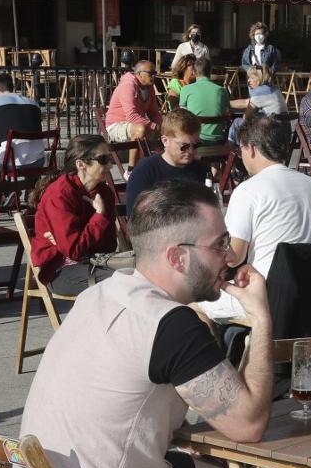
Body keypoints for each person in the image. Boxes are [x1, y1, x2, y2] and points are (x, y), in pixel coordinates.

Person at [14, 179, 311, 468]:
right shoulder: (171, 326)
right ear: (178, 256)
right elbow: (248, 424)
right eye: (219, 247)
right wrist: (261, 316)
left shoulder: (103, 292)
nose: (232, 258)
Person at [196, 114, 311, 322]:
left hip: (267, 297)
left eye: (240, 151)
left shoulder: (248, 190)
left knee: (190, 303)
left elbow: (233, 257)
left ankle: (219, 354)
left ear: (251, 148)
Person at [29, 134, 120, 293]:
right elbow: (74, 251)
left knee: (144, 275)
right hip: (61, 271)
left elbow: (109, 245)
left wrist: (81, 236)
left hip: (95, 262)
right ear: (81, 164)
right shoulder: (59, 194)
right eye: (103, 159)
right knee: (123, 282)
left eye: (110, 158)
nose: (110, 165)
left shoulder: (104, 193)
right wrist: (99, 217)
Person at [125, 109, 212, 217]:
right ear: (165, 141)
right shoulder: (146, 171)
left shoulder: (202, 170)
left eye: (196, 145)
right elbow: (134, 218)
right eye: (184, 146)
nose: (191, 151)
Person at [103, 60, 162, 166]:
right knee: (140, 128)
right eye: (150, 73)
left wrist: (161, 126)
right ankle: (131, 169)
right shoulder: (128, 85)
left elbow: (154, 113)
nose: (153, 76)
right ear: (139, 74)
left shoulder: (149, 88)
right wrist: (154, 126)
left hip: (135, 125)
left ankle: (159, 165)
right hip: (116, 125)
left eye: (155, 73)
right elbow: (132, 116)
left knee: (169, 129)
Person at [228, 66, 285, 145]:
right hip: (284, 130)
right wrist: (227, 103)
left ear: (259, 79)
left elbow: (246, 118)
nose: (248, 81)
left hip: (271, 133)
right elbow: (246, 102)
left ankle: (232, 152)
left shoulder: (259, 92)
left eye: (251, 78)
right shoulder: (273, 89)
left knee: (237, 123)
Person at [179, 58, 229, 145]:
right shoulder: (222, 91)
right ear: (210, 71)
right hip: (219, 140)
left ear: (194, 72)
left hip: (194, 141)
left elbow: (183, 117)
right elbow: (226, 113)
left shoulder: (185, 90)